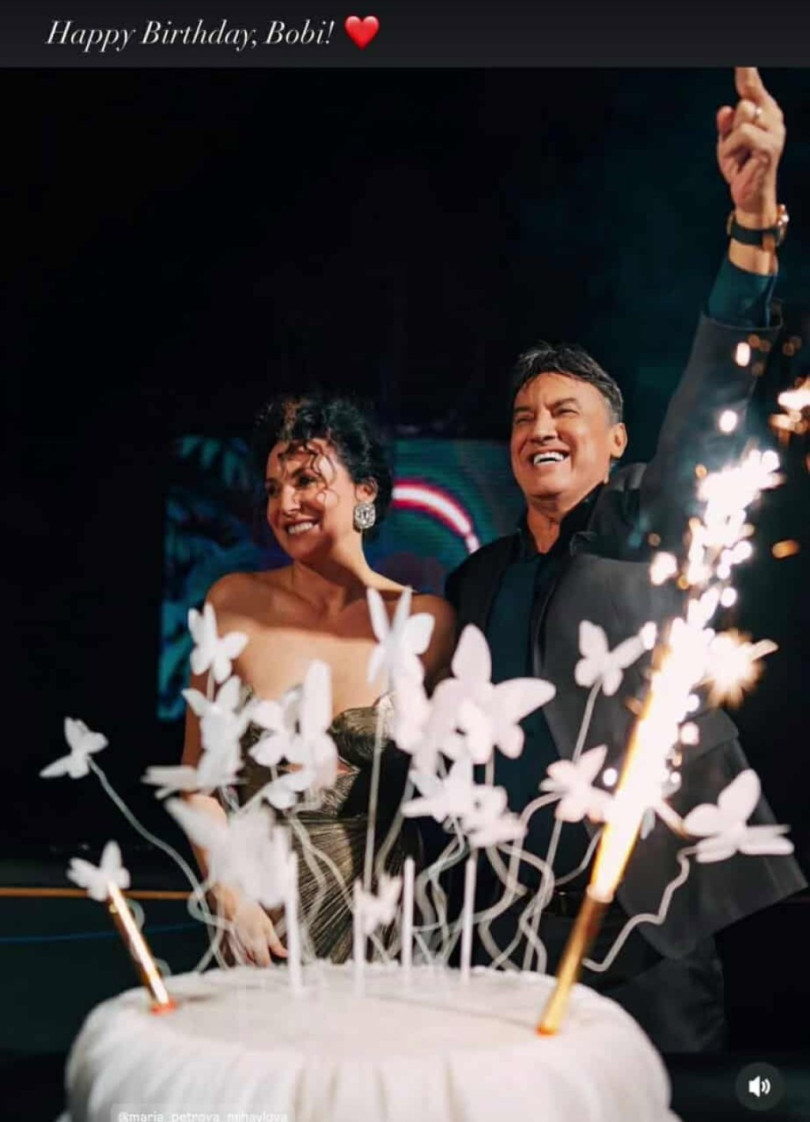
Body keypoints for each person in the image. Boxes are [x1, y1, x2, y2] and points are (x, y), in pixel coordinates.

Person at [444, 67, 806, 1052]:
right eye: (524, 416)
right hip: (505, 922)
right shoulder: (477, 578)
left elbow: (715, 387)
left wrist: (754, 224)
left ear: (614, 444)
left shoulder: (652, 515)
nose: (541, 428)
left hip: (649, 919)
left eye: (566, 412)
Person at [181, 393, 455, 965]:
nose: (285, 504)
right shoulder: (232, 605)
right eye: (272, 488)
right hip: (262, 926)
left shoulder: (428, 623)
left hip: (385, 928)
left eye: (306, 480)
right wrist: (231, 900)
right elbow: (198, 787)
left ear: (365, 491)